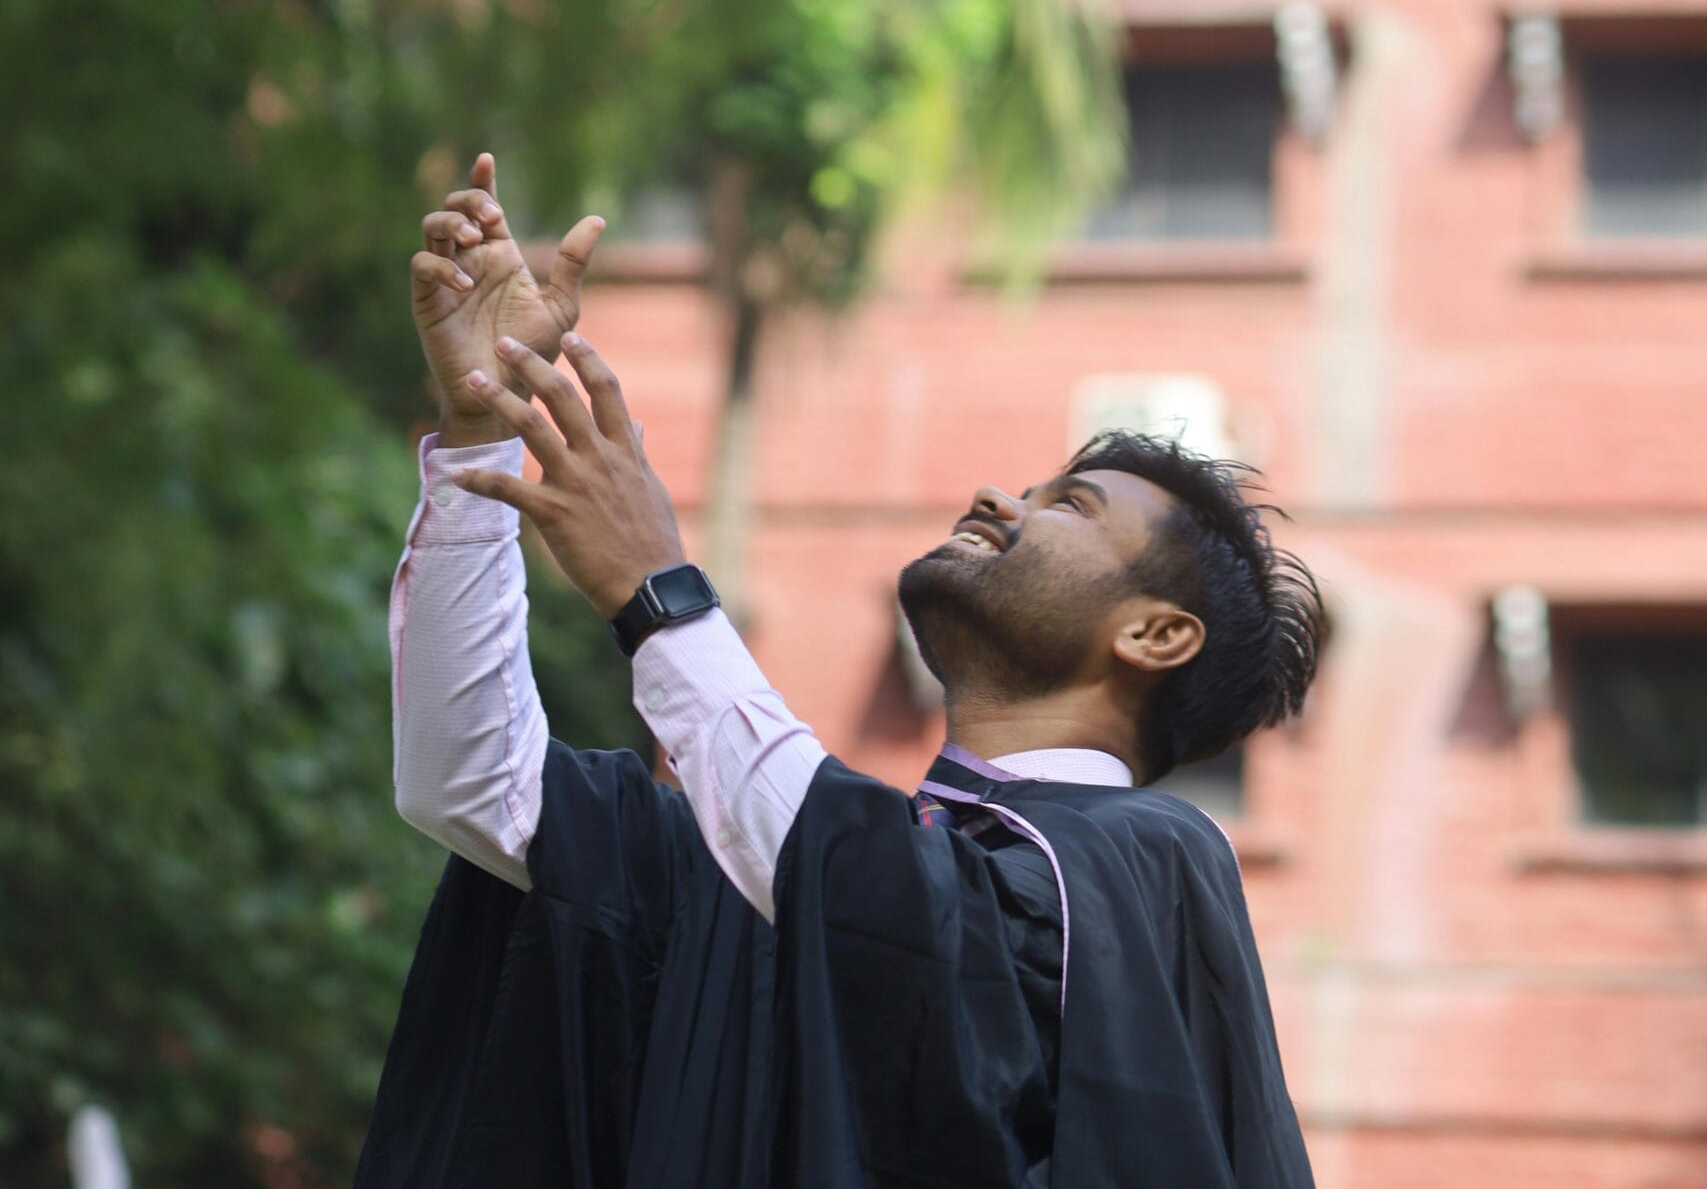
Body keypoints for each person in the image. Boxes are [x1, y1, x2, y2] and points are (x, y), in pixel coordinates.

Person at [356, 155, 1324, 1189]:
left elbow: (890, 914)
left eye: (1071, 506)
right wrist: (477, 443)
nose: (1001, 497)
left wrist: (659, 592)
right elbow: (471, 784)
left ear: (1156, 636)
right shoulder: (791, 866)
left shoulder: (1150, 871)